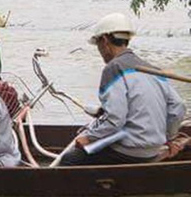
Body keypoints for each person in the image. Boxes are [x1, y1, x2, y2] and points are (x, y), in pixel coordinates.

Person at [60, 13, 187, 166]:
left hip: (128, 150)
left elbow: (115, 119)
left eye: (98, 45)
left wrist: (89, 137)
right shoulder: (152, 69)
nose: (100, 51)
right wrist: (168, 137)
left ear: (105, 41)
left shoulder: (113, 68)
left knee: (69, 159)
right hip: (153, 148)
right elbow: (178, 107)